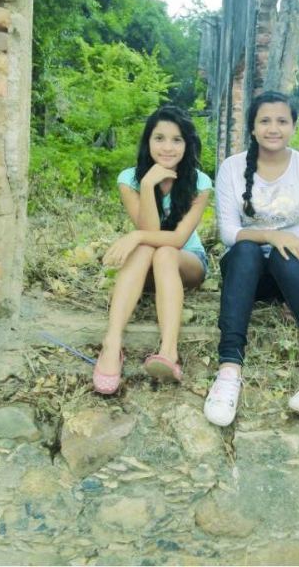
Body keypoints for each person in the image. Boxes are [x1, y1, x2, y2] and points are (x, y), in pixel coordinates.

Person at [204, 91, 299, 426]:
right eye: (264, 121)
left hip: (296, 272)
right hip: (247, 276)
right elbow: (229, 233)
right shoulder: (232, 168)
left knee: (287, 254)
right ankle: (229, 369)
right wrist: (270, 235)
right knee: (245, 250)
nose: (273, 128)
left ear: (293, 126)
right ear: (252, 128)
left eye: (282, 121)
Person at [95, 105, 212, 394]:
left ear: (187, 144)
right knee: (147, 248)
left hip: (186, 262)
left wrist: (135, 236)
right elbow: (149, 229)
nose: (167, 147)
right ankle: (112, 343)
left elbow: (179, 239)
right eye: (159, 138)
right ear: (148, 141)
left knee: (162, 251)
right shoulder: (130, 179)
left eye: (176, 140)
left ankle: (169, 352)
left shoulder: (200, 182)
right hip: (146, 266)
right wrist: (148, 184)